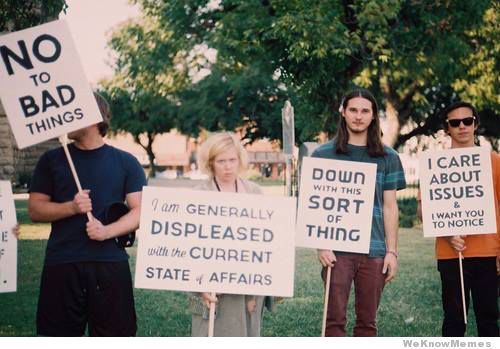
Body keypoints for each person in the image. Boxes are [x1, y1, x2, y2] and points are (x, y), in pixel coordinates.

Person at [28, 93, 146, 336]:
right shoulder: (51, 160)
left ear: (93, 117)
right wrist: (71, 207)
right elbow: (35, 209)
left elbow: (141, 211)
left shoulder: (126, 162)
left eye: (71, 112)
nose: (63, 119)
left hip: (110, 265)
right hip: (62, 263)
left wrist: (107, 231)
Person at [313, 88, 406, 336]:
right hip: (336, 251)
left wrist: (392, 252)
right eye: (353, 110)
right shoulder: (323, 154)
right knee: (333, 322)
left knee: (367, 324)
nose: (358, 116)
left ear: (374, 116)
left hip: (374, 251)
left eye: (365, 111)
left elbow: (390, 206)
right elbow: (315, 204)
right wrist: (321, 245)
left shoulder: (388, 157)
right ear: (343, 113)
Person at [416, 101, 499, 336]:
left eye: (467, 121)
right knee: (454, 321)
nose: (462, 126)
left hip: (488, 253)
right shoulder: (435, 165)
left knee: (489, 319)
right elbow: (424, 210)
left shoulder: (493, 160)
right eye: (455, 122)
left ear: (476, 125)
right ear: (447, 128)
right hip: (451, 253)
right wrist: (447, 233)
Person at [189, 132, 274, 337]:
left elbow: (265, 243)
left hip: (247, 284)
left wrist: (255, 293)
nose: (228, 166)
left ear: (240, 160)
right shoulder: (199, 195)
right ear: (210, 163)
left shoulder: (254, 192)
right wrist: (199, 287)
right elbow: (189, 246)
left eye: (232, 160)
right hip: (210, 281)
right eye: (221, 161)